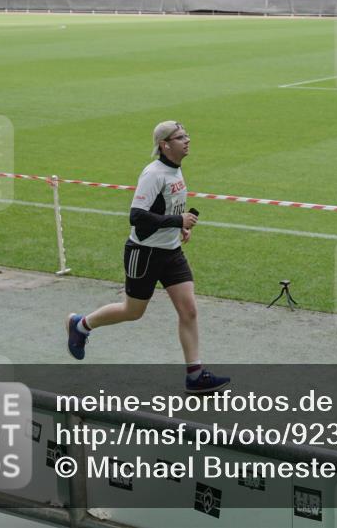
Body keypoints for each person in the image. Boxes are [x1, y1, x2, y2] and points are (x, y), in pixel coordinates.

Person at [66, 121, 229, 394]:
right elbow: (137, 216)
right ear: (165, 145)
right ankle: (81, 325)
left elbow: (166, 207)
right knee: (132, 311)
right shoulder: (154, 174)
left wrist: (180, 226)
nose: (187, 140)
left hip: (172, 253)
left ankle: (195, 375)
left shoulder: (175, 169)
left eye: (187, 135)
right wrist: (177, 220)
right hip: (144, 254)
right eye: (180, 137)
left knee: (189, 310)